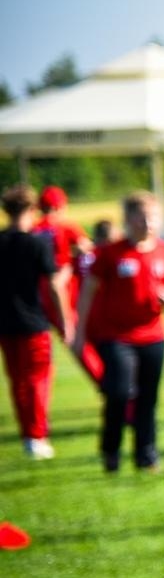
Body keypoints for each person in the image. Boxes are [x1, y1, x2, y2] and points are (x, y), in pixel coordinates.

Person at [73, 192, 164, 473]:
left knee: (148, 397)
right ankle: (111, 450)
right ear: (129, 219)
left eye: (153, 216)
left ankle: (146, 455)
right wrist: (79, 332)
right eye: (141, 216)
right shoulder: (110, 253)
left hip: (154, 336)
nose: (148, 222)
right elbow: (88, 292)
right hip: (116, 337)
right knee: (120, 393)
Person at [1, 186, 69, 459]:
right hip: (33, 323)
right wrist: (66, 322)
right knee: (38, 381)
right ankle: (37, 436)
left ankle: (27, 434)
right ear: (31, 210)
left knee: (17, 381)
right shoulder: (37, 243)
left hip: (5, 323)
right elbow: (54, 285)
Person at [34, 185, 102, 385]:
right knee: (78, 340)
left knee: (39, 352)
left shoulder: (33, 229)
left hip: (36, 294)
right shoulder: (65, 227)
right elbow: (88, 251)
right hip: (62, 292)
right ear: (60, 205)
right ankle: (107, 385)